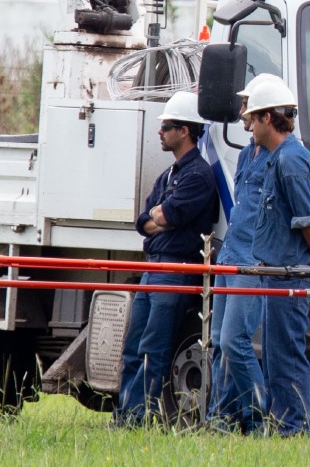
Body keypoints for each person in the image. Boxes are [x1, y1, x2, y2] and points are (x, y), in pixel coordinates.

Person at [243, 77, 310, 436]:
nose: (249, 126)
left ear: (268, 118)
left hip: (290, 273)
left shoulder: (291, 161)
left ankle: (294, 429)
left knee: (285, 355)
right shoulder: (280, 158)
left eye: (254, 118)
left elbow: (308, 222)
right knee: (274, 356)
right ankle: (284, 425)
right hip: (276, 272)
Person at [114, 91, 219, 427]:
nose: (160, 132)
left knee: (153, 348)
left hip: (174, 270)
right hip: (154, 269)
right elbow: (144, 220)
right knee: (134, 347)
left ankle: (139, 417)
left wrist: (160, 218)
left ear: (185, 131)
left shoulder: (198, 176)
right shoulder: (169, 175)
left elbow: (166, 215)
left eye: (167, 126)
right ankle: (126, 415)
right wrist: (158, 219)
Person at [207, 73, 280, 434]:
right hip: (230, 257)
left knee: (234, 341)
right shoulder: (247, 153)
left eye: (247, 105)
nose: (241, 112)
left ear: (263, 110)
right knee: (219, 343)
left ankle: (258, 421)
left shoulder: (279, 157)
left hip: (250, 261)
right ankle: (219, 421)